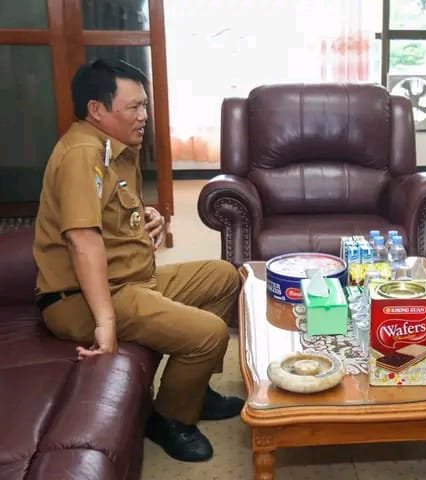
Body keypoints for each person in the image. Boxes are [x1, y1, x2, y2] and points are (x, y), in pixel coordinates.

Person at [33, 58, 244, 463]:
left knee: (223, 276)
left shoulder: (113, 149)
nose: (144, 115)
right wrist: (105, 322)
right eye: (134, 107)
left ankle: (194, 391)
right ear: (97, 109)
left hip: (130, 281)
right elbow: (81, 240)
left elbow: (112, 212)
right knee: (210, 333)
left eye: (144, 105)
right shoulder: (82, 154)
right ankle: (170, 419)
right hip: (83, 298)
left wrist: (148, 216)